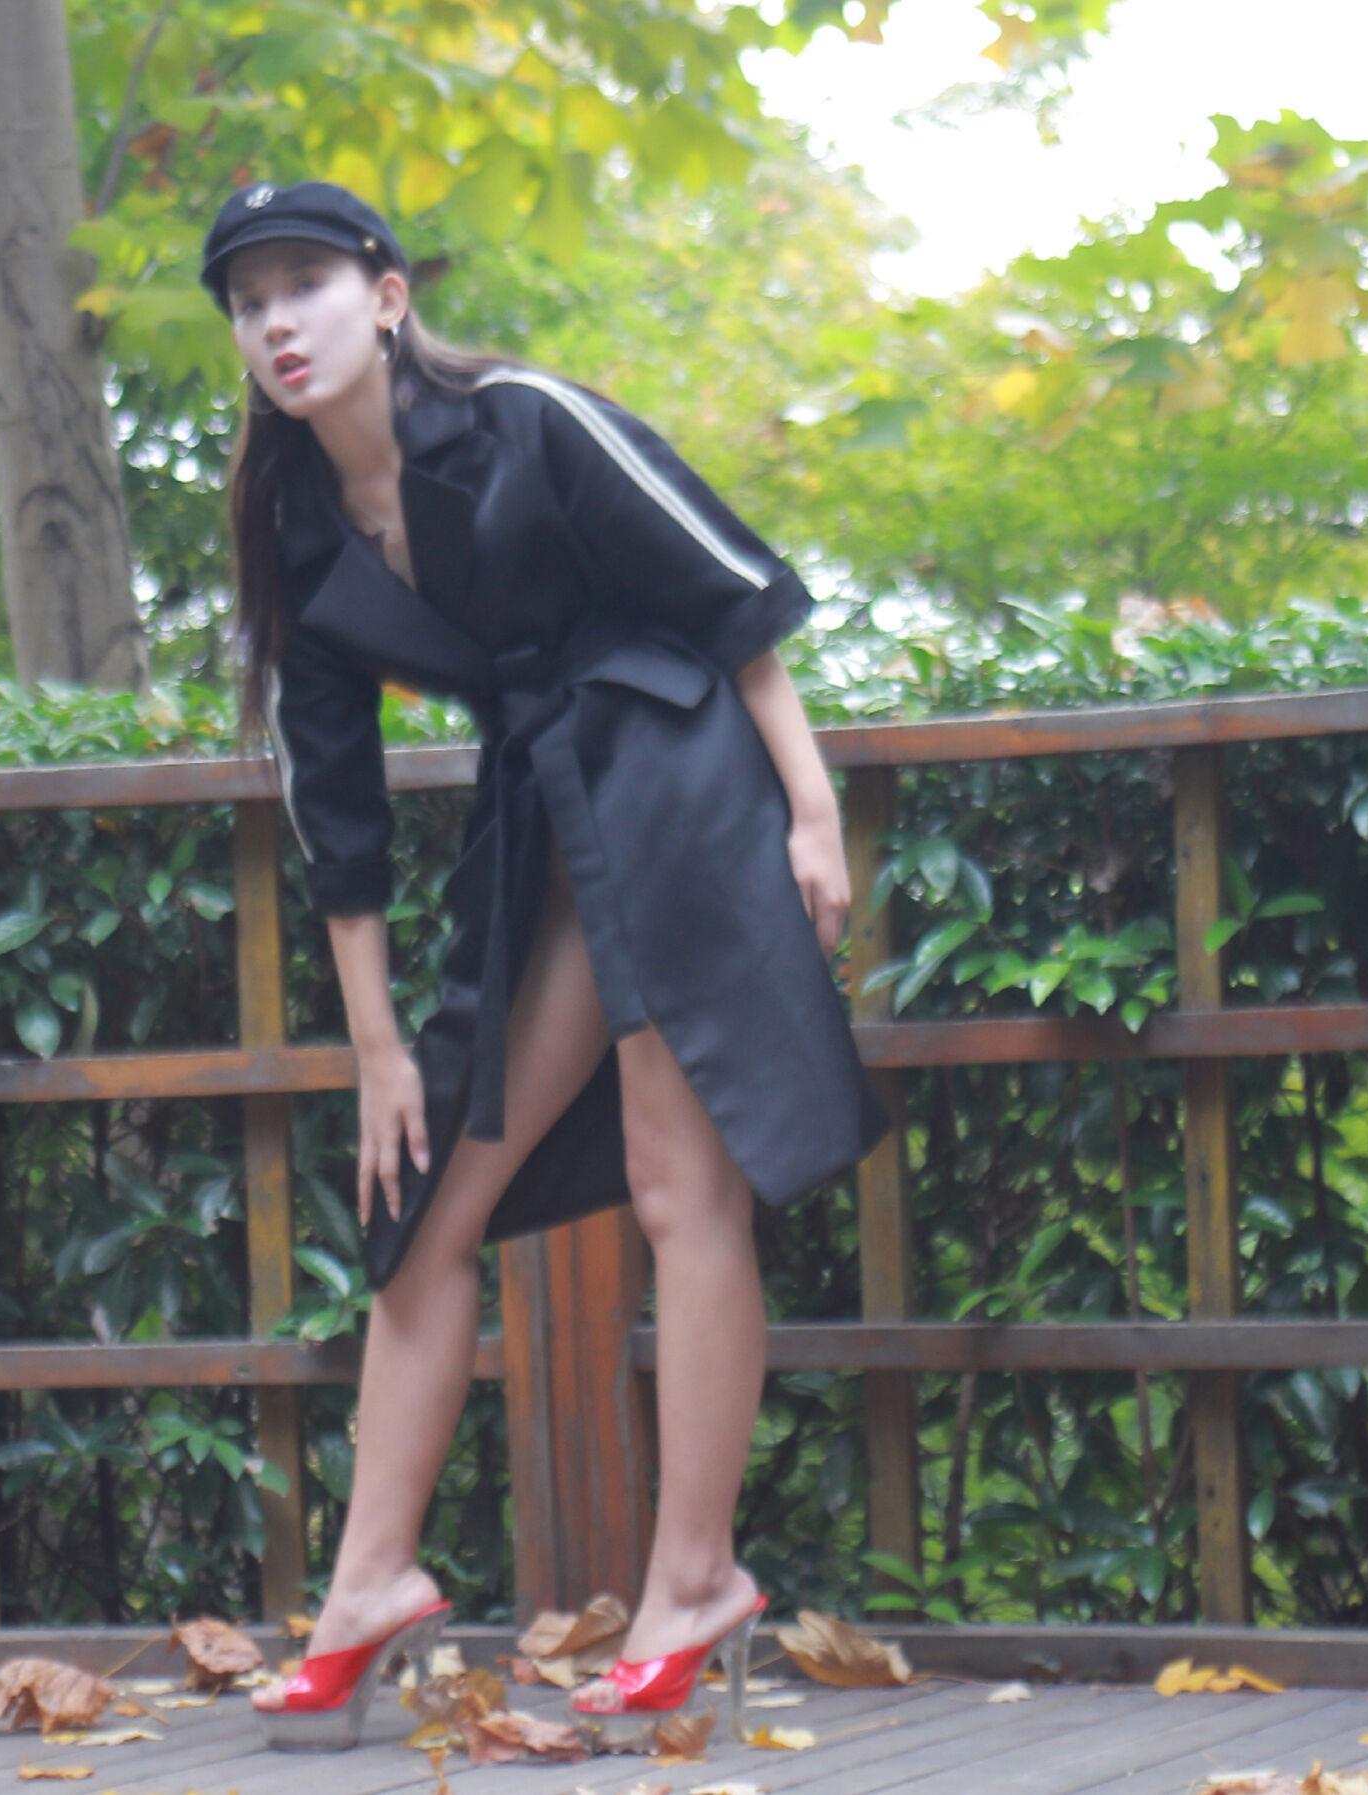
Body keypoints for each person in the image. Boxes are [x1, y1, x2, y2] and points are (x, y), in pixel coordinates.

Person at [200, 178, 890, 1752]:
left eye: (307, 284)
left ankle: (694, 1581)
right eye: (249, 303)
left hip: (673, 773)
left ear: (386, 297)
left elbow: (727, 587)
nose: (278, 322)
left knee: (679, 1186)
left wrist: (810, 809)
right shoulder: (298, 529)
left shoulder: (522, 418)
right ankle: (368, 1585)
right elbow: (337, 809)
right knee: (422, 1207)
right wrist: (377, 1048)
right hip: (545, 815)